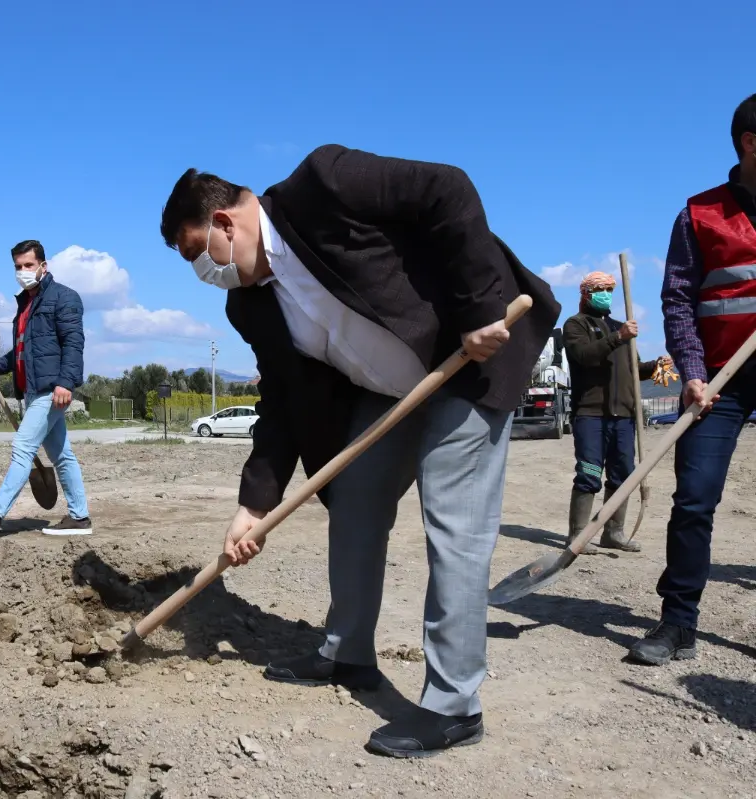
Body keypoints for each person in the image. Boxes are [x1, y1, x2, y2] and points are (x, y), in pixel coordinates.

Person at [159, 145, 560, 758]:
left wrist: (479, 310)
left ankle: (454, 705)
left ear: (223, 224)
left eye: (197, 255)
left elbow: (447, 189)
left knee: (452, 521)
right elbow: (284, 402)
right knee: (353, 504)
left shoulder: (325, 184)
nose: (202, 272)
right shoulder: (250, 304)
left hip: (467, 360)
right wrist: (253, 504)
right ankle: (347, 653)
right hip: (388, 393)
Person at [628, 94, 756, 666]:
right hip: (719, 383)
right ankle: (677, 622)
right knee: (695, 500)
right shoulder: (700, 214)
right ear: (750, 143)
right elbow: (678, 300)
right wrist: (693, 373)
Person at [0, 239, 93, 536]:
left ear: (43, 266)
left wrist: (65, 383)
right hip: (33, 391)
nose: (23, 271)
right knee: (62, 455)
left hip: (52, 390)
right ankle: (80, 517)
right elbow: (24, 351)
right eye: (18, 267)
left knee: (23, 446)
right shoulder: (26, 306)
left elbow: (74, 343)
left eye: (29, 265)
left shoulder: (64, 298)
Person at [562, 270, 669, 553]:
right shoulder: (575, 325)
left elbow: (634, 369)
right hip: (591, 414)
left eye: (610, 289)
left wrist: (655, 366)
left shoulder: (621, 328)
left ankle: (613, 532)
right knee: (589, 473)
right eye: (599, 288)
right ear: (585, 294)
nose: (606, 293)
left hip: (623, 415)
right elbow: (584, 357)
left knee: (623, 475)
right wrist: (618, 337)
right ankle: (577, 535)